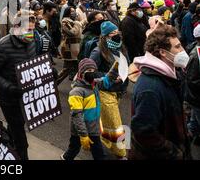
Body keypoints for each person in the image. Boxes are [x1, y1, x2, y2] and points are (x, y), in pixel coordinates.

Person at [131, 25, 191, 160]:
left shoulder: (170, 74)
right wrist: (174, 152)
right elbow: (144, 132)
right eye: (177, 47)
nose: (182, 50)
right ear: (163, 52)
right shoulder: (150, 88)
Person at [0, 10, 37, 160]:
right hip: (9, 100)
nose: (32, 34)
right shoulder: (1, 46)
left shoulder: (31, 42)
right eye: (29, 30)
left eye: (33, 30)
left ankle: (9, 148)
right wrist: (10, 87)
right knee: (21, 139)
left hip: (26, 98)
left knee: (16, 127)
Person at [61, 59, 115, 161]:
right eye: (88, 70)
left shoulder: (94, 85)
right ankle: (66, 157)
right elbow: (76, 115)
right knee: (74, 148)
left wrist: (115, 70)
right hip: (80, 129)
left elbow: (106, 80)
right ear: (81, 73)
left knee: (97, 152)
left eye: (93, 70)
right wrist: (83, 134)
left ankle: (66, 157)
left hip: (93, 127)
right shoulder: (76, 92)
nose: (92, 73)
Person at [90, 21, 129, 159]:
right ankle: (121, 154)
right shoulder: (97, 51)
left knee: (108, 122)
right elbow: (89, 74)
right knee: (116, 123)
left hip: (118, 92)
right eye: (112, 33)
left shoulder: (121, 47)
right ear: (105, 36)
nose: (116, 35)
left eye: (117, 32)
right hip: (104, 92)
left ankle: (102, 141)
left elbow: (125, 64)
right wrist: (109, 76)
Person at [58, 6, 82, 84]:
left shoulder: (73, 21)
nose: (74, 12)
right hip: (68, 48)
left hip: (74, 48)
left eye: (74, 11)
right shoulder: (65, 21)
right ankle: (55, 82)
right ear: (67, 12)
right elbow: (72, 33)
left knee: (72, 69)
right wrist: (78, 23)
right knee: (67, 69)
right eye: (72, 11)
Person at [185, 25, 200, 145]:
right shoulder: (195, 55)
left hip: (196, 99)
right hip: (197, 98)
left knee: (194, 121)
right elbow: (192, 80)